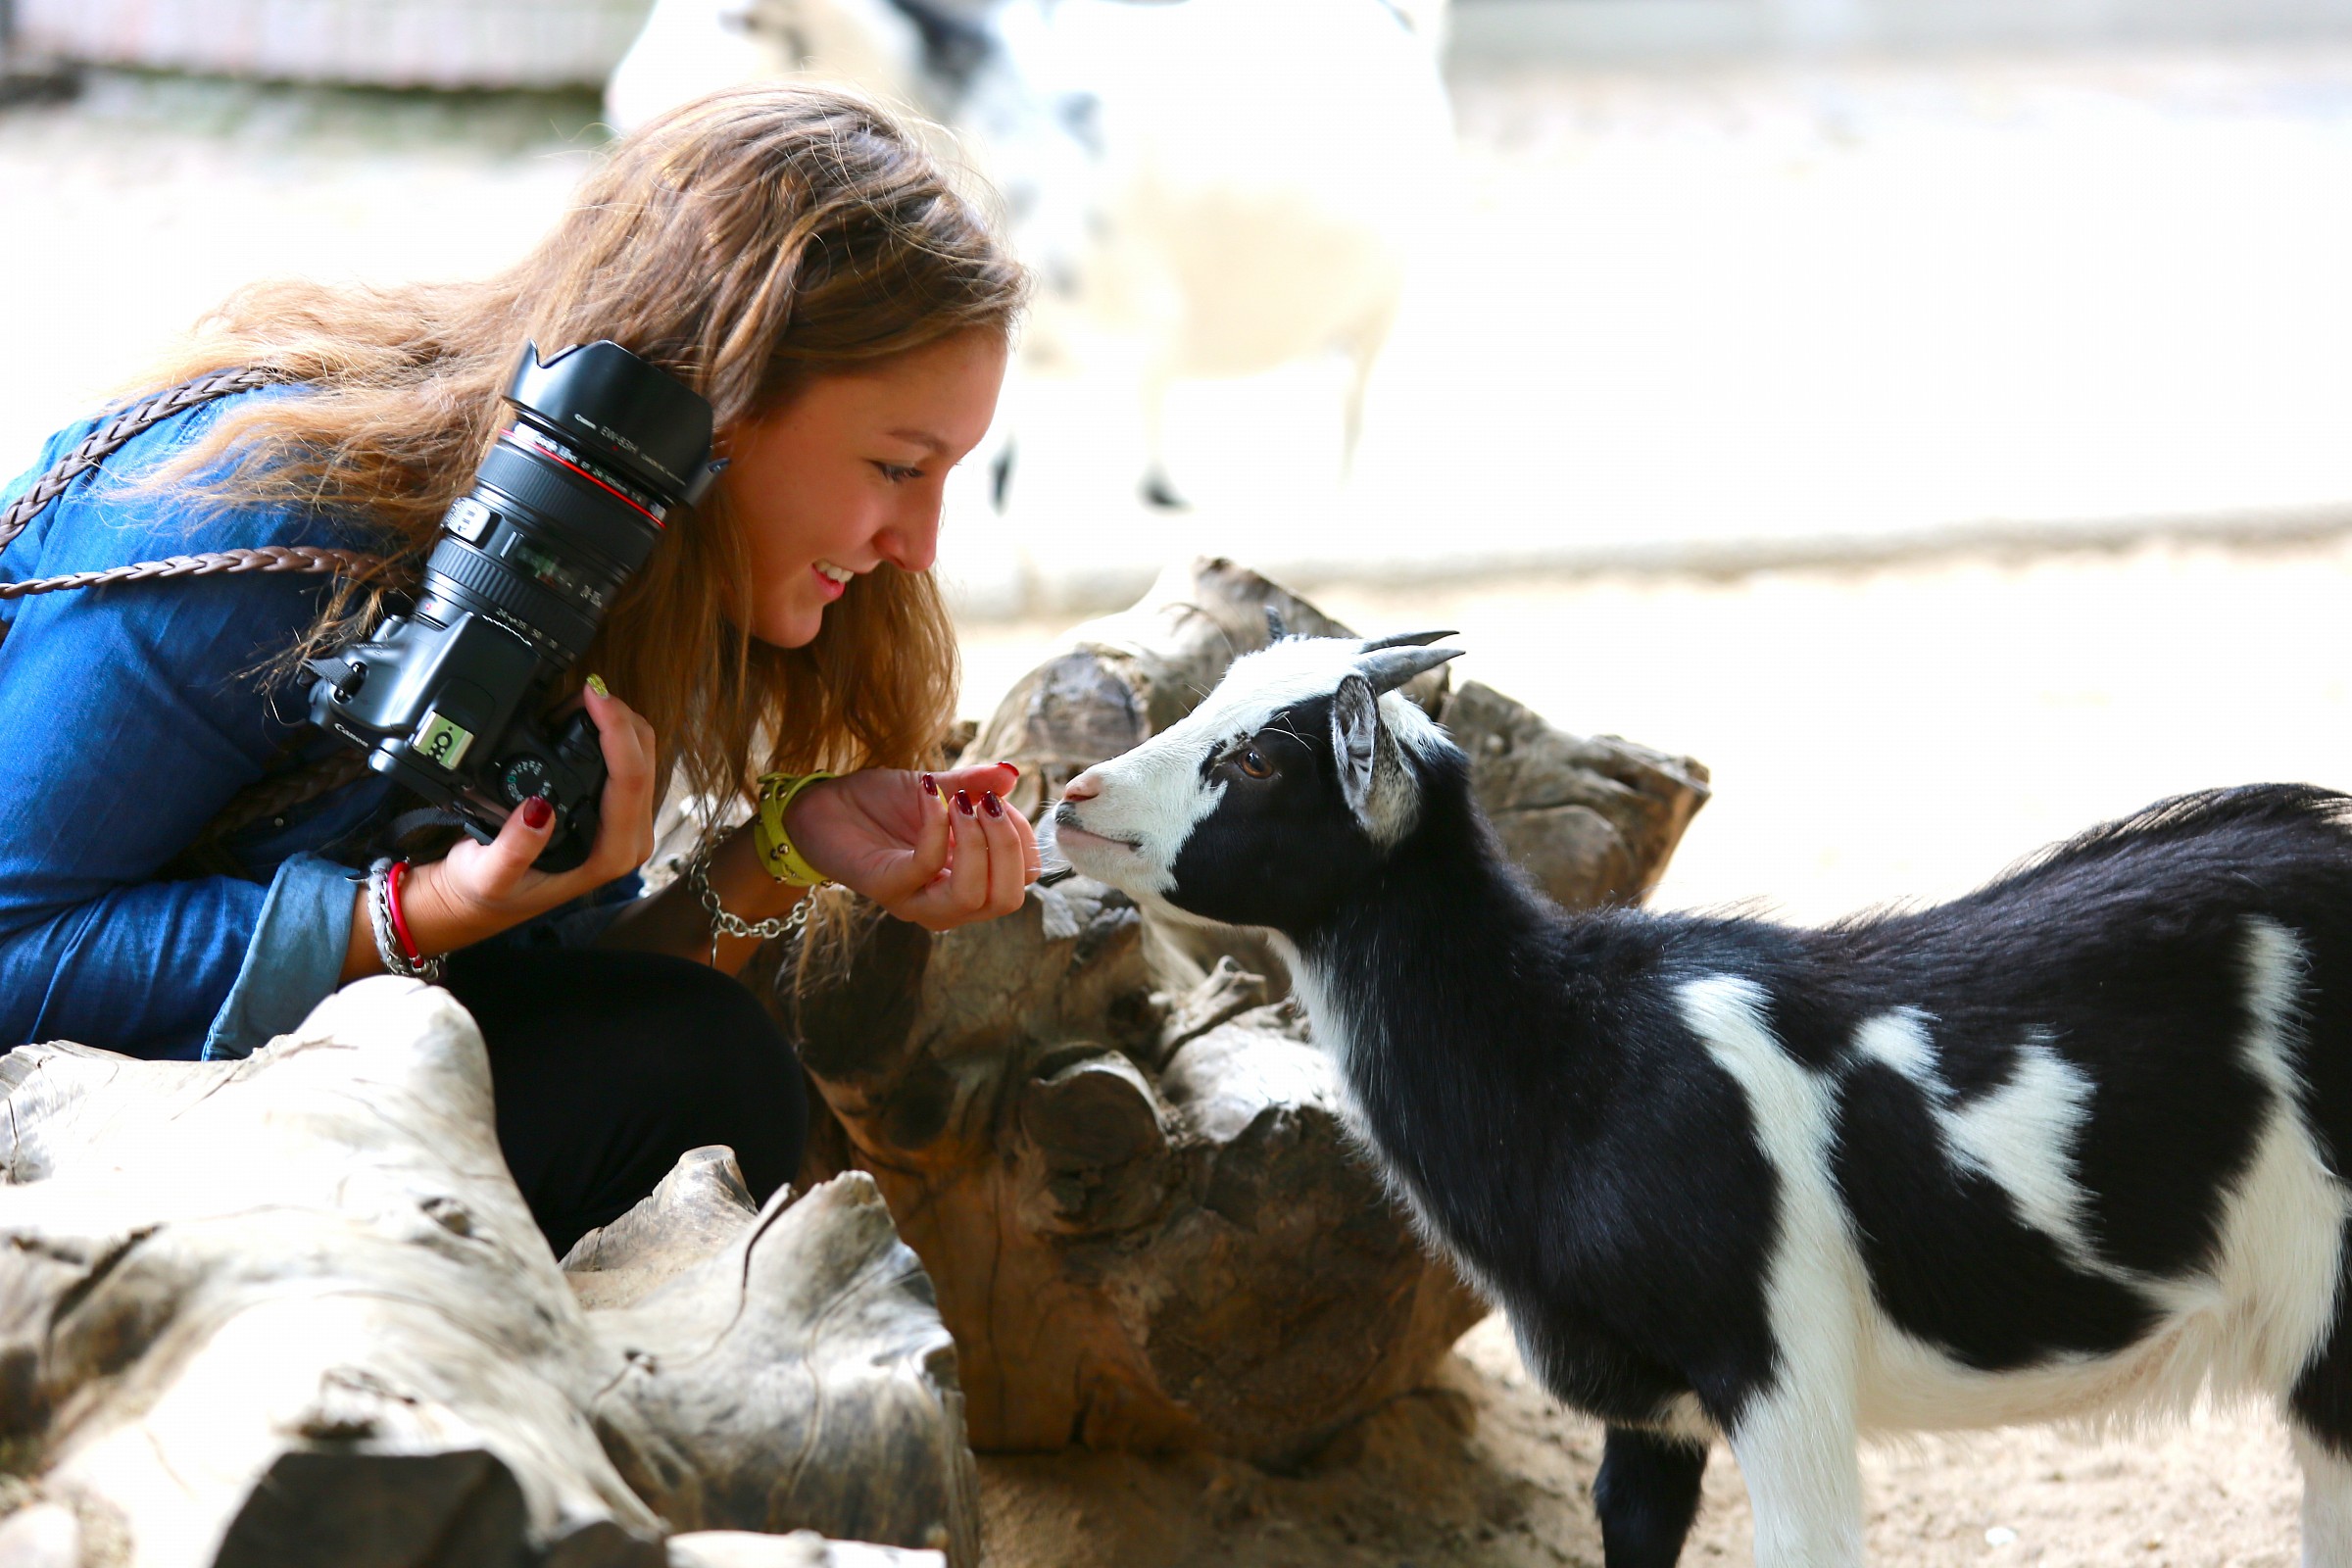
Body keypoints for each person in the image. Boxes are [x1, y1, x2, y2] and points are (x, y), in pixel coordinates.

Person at [0, 82, 1039, 1254]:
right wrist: (414, 911)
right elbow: (12, 949)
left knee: (695, 1068)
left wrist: (788, 848)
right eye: (902, 467)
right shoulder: (263, 515)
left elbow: (561, 998)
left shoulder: (612, 583)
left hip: (242, 1111)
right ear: (717, 403)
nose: (923, 549)